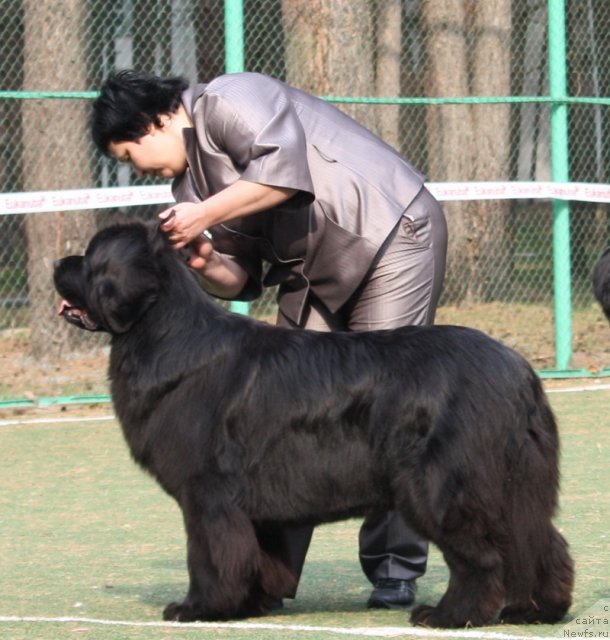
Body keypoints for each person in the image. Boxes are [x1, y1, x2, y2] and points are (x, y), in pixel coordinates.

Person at [91, 69, 448, 610]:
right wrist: (208, 260)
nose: (134, 168)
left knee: (388, 405)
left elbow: (285, 173)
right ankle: (268, 577)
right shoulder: (188, 185)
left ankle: (393, 571)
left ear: (152, 123)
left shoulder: (231, 99)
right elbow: (241, 280)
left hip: (389, 236)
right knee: (284, 415)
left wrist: (204, 215)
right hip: (312, 275)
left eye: (126, 155)